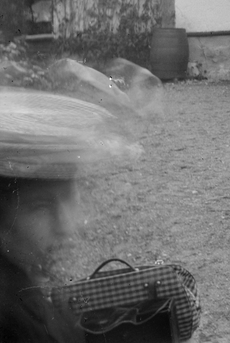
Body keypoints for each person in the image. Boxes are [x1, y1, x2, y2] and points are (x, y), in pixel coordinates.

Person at [1, 88, 140, 343]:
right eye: (40, 207)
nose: (66, 225)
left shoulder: (27, 272)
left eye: (68, 197)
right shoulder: (16, 313)